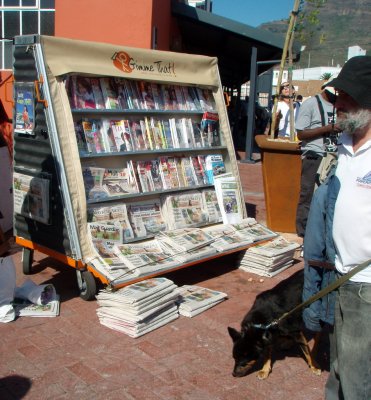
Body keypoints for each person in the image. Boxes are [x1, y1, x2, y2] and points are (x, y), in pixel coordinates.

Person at [303, 55, 371, 400]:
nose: (338, 103)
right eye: (338, 95)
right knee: (339, 370)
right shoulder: (342, 148)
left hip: (366, 285)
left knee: (359, 379)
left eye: (348, 96)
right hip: (339, 278)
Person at [295, 86, 341, 238]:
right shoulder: (311, 104)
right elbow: (301, 133)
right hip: (315, 155)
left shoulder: (341, 105)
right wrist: (327, 128)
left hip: (334, 155)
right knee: (308, 194)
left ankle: (323, 230)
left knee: (329, 195)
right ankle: (304, 231)